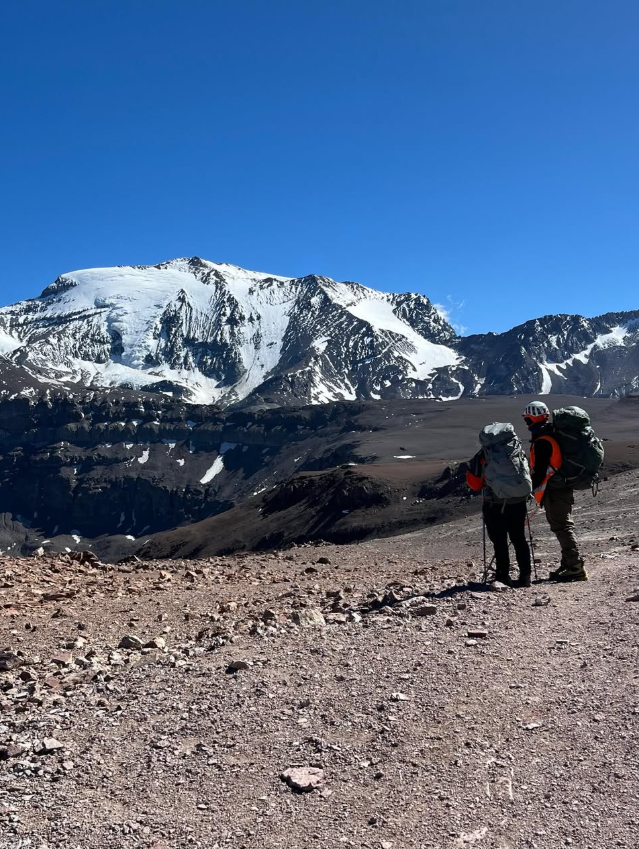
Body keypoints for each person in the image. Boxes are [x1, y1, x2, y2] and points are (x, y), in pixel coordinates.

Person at [523, 401, 587, 582]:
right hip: (561, 487)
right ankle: (568, 564)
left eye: (527, 419)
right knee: (562, 525)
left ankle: (574, 566)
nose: (527, 424)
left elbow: (541, 470)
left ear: (532, 418)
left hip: (555, 490)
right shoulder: (551, 433)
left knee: (562, 526)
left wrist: (532, 488)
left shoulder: (543, 440)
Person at [466, 426, 532, 588]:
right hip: (517, 502)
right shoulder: (515, 449)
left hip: (494, 504)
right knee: (519, 539)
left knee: (500, 542)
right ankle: (525, 576)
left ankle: (503, 577)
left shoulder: (483, 455)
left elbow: (474, 484)